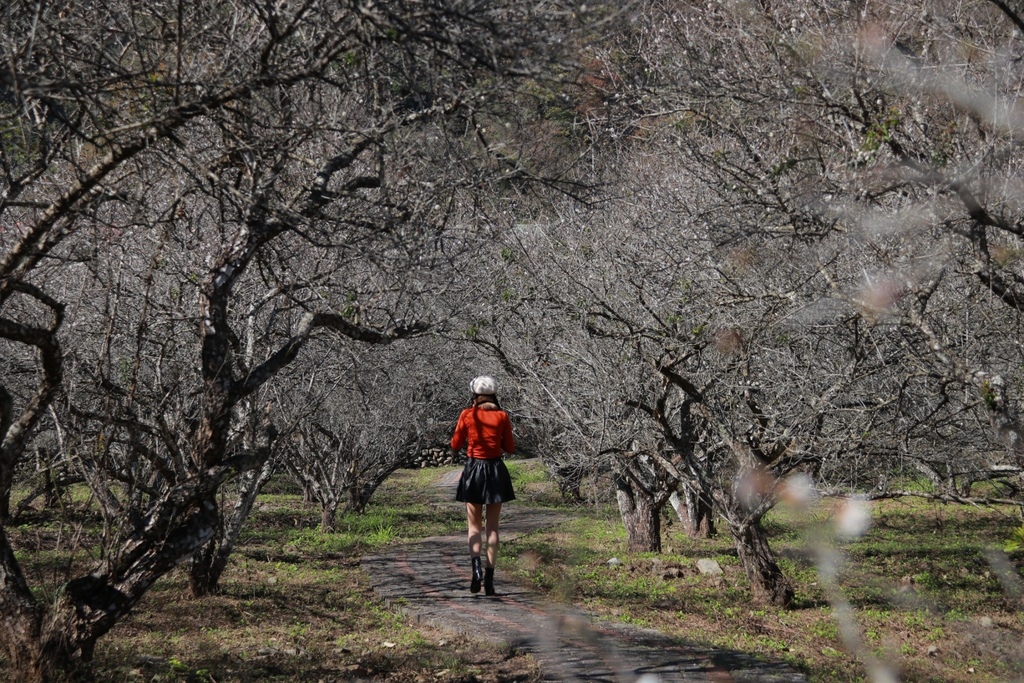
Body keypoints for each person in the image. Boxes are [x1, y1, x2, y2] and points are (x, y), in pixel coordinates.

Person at [451, 375, 516, 596]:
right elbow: (510, 447)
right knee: (493, 528)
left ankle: (475, 571)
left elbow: (455, 444)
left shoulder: (467, 414)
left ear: (475, 395)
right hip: (495, 471)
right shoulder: (502, 416)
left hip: (473, 471)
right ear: (494, 395)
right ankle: (489, 579)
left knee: (474, 527)